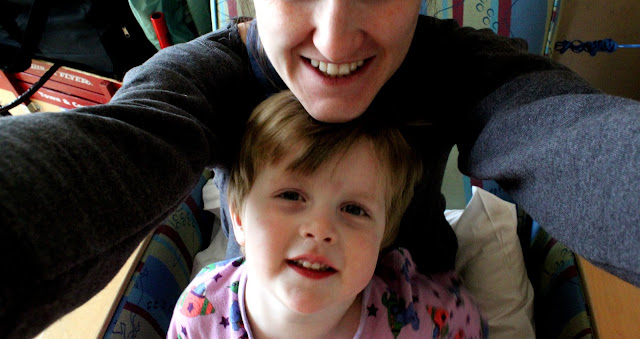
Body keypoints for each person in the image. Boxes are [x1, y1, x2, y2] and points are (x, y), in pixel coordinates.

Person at [0, 0, 638, 337]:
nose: (334, 42)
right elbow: (113, 149)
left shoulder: (461, 70)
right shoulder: (200, 82)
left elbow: (569, 138)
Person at [167, 90, 487, 339]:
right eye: (291, 196)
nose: (320, 229)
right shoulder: (200, 315)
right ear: (238, 217)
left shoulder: (420, 320)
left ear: (383, 235)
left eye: (354, 209)